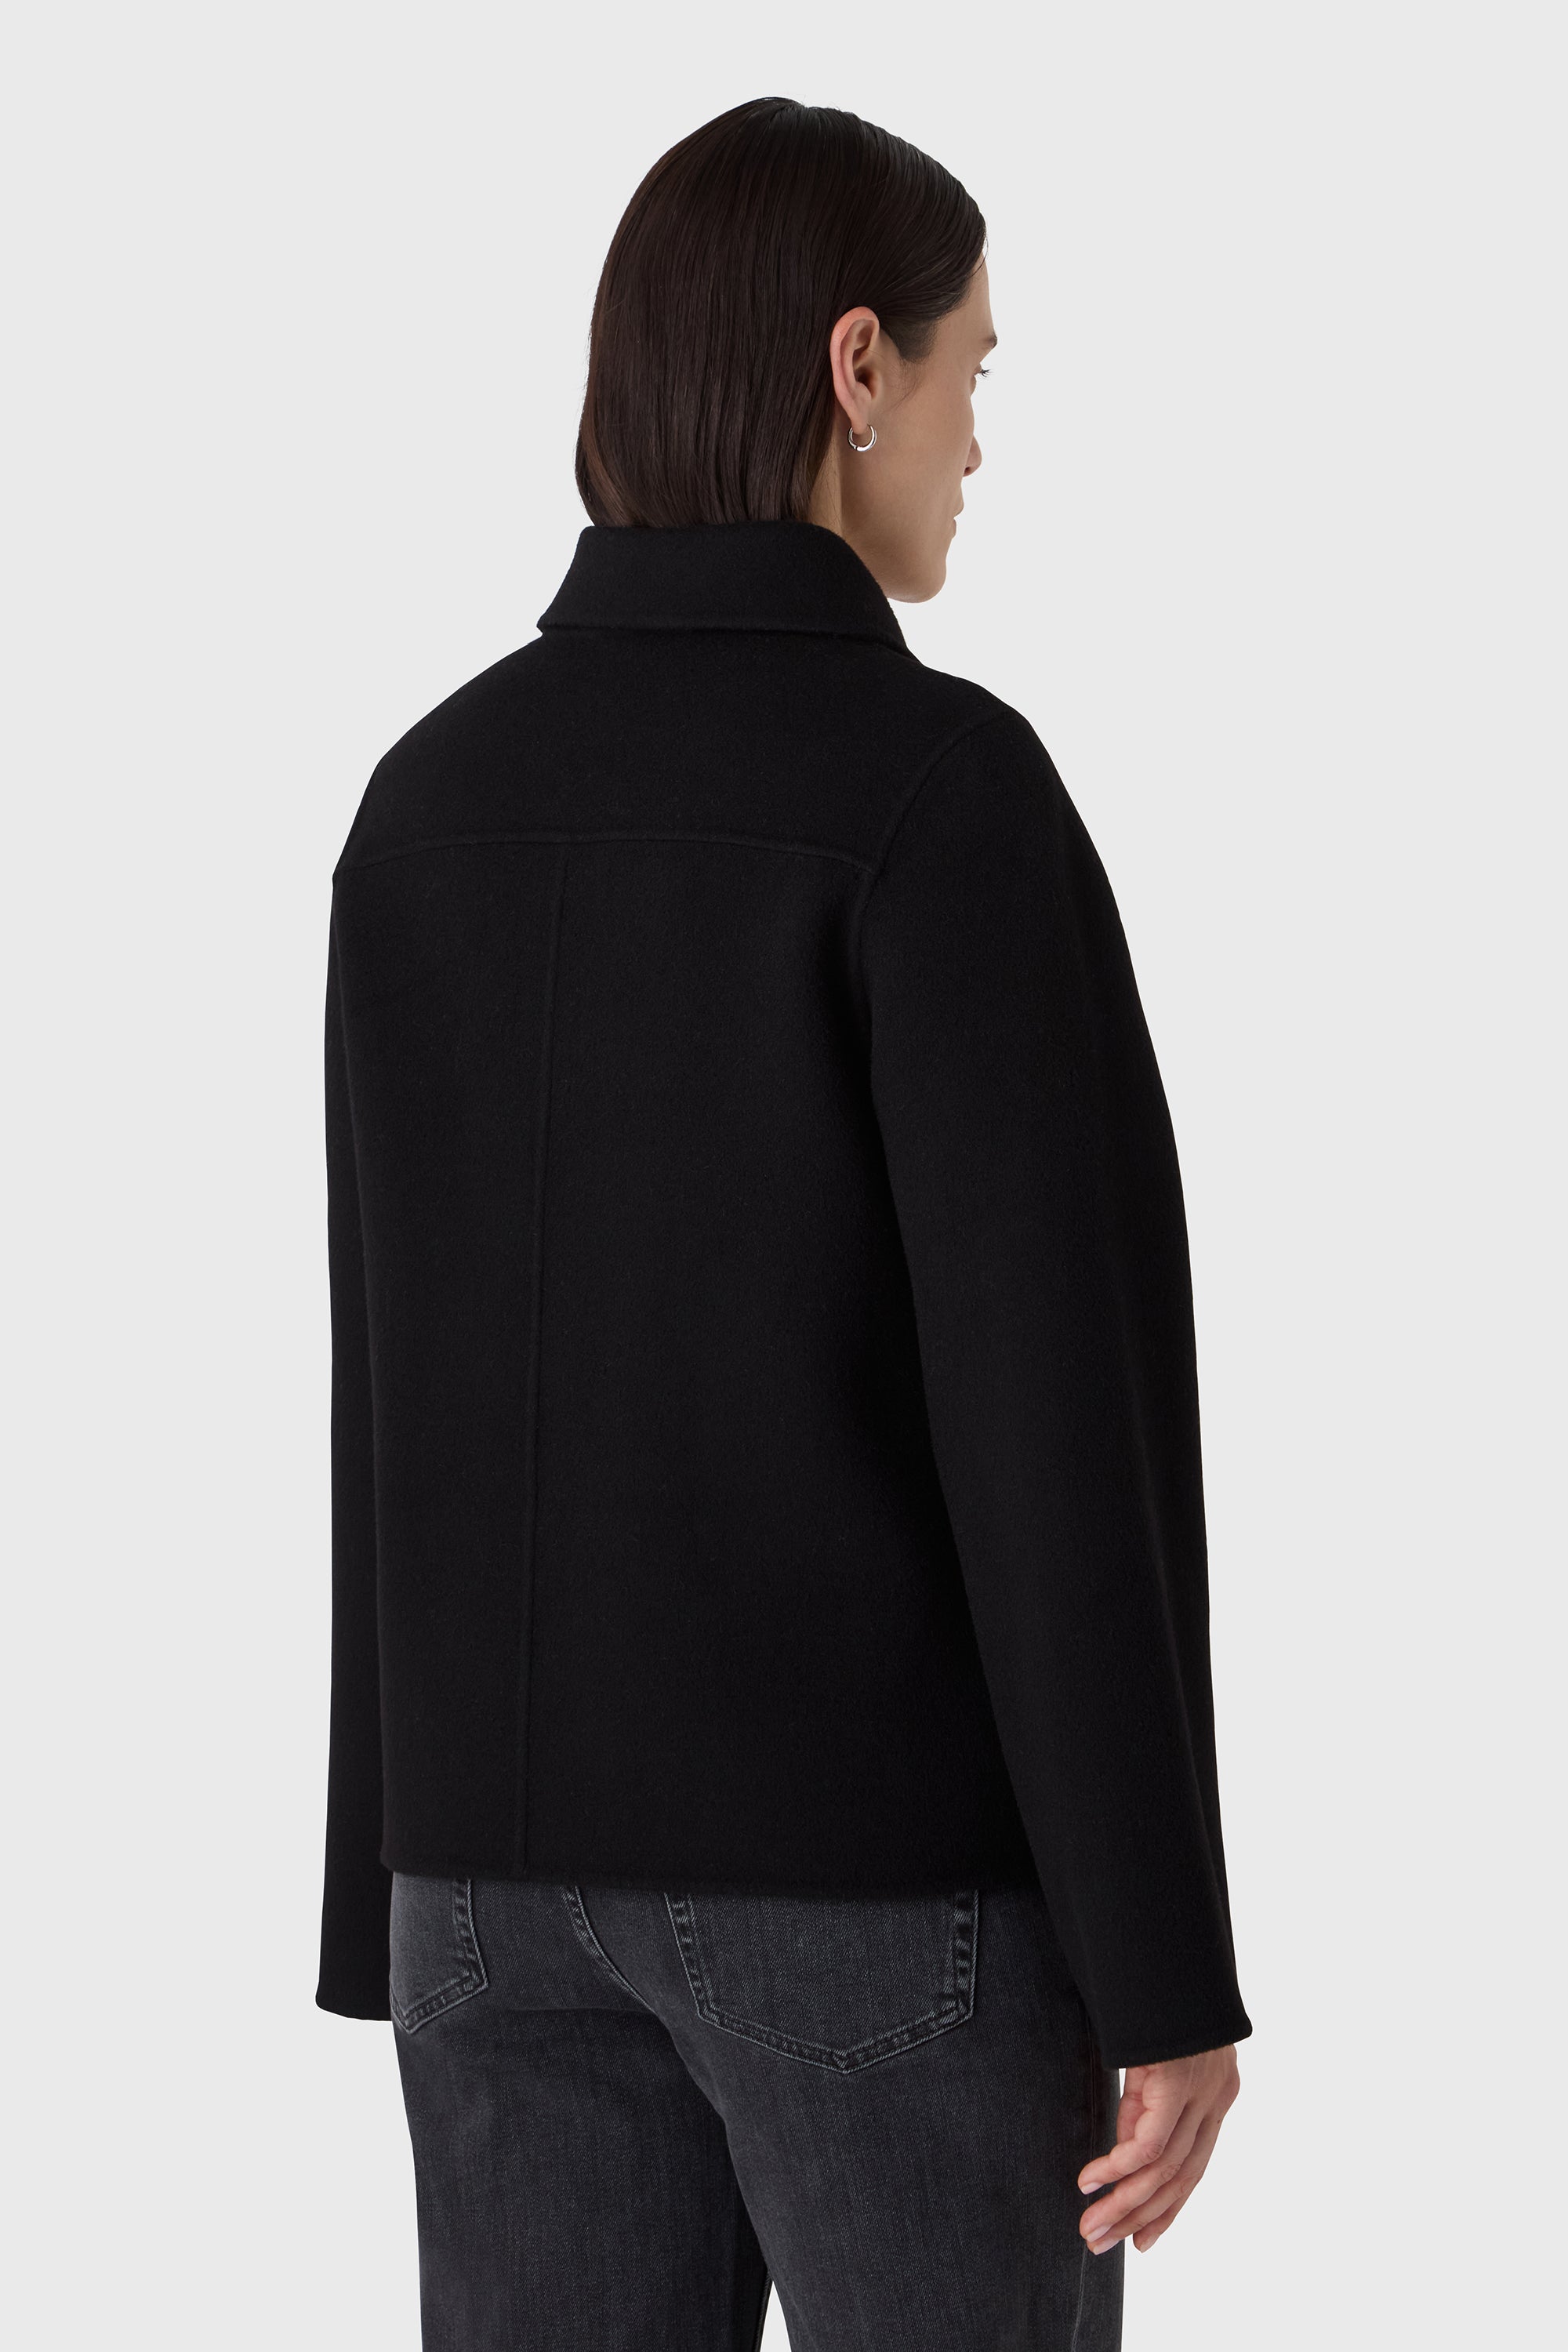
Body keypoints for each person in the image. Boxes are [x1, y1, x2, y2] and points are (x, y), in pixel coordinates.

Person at [316, 95, 1250, 2352]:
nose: (979, 438)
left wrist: (392, 1881)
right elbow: (1058, 1421)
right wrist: (1165, 1963)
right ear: (857, 370)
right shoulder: (941, 796)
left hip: (485, 1887)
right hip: (872, 1890)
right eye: (970, 369)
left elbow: (395, 1379)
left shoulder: (425, 800)